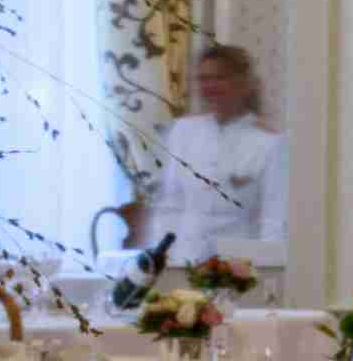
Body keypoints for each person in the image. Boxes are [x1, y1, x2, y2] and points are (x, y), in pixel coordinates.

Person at [121, 43, 286, 282]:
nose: (211, 86)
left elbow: (274, 219)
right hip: (182, 260)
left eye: (220, 78)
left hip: (236, 270)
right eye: (204, 79)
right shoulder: (184, 131)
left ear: (243, 83)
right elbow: (170, 204)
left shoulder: (269, 143)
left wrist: (270, 276)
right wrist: (156, 263)